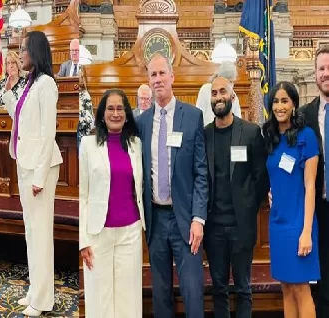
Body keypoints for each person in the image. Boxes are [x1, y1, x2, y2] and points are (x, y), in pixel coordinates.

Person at [136, 52, 208, 318]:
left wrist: (198, 218)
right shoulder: (141, 123)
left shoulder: (192, 116)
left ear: (172, 77)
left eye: (161, 73)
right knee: (161, 294)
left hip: (186, 221)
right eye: (152, 75)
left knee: (192, 291)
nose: (157, 79)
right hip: (155, 220)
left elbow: (201, 172)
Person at [1, 30, 63, 317]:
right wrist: (11, 88)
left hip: (41, 168)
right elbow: (19, 118)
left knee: (40, 235)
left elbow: (49, 131)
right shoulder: (30, 84)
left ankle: (43, 299)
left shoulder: (47, 84)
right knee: (31, 234)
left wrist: (39, 177)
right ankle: (35, 291)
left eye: (25, 50)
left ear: (36, 52)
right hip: (24, 163)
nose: (21, 54)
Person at [203, 76, 268, 318]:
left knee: (243, 289)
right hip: (214, 228)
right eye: (214, 93)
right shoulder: (204, 135)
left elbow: (261, 177)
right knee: (218, 289)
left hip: (242, 226)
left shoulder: (251, 132)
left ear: (232, 96)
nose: (218, 97)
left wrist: (249, 204)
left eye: (223, 91)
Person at [80, 89, 145, 318]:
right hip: (99, 233)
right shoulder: (87, 145)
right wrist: (83, 240)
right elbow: (83, 195)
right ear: (102, 113)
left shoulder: (136, 144)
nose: (115, 113)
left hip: (131, 232)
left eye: (120, 108)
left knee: (129, 299)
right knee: (100, 299)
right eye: (110, 108)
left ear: (127, 114)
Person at [263, 82, 320, 318]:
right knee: (285, 286)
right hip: (277, 223)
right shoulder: (272, 138)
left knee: (300, 287)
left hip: (299, 223)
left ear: (294, 104)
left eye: (284, 100)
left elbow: (310, 186)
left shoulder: (307, 136)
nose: (279, 106)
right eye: (275, 101)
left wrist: (306, 231)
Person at [300, 45, 329, 318]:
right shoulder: (305, 115)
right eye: (321, 69)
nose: (325, 73)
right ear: (315, 74)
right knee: (321, 280)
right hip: (318, 208)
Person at [196, 61, 242, 126]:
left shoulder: (233, 95)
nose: (231, 85)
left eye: (232, 82)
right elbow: (198, 113)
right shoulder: (205, 89)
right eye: (229, 81)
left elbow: (238, 117)